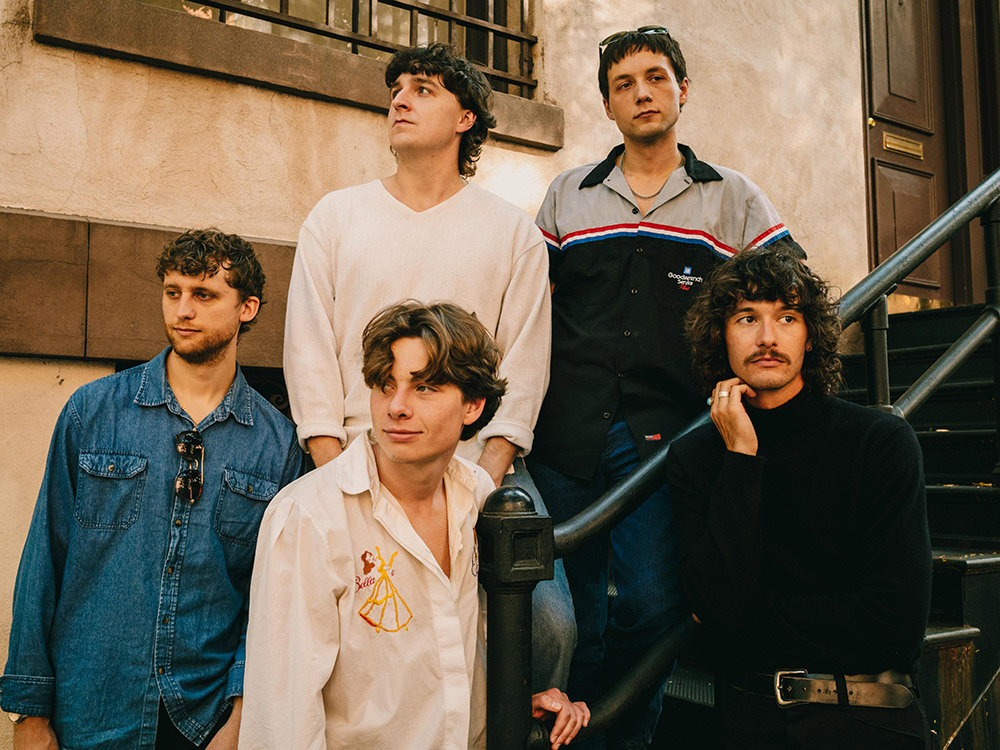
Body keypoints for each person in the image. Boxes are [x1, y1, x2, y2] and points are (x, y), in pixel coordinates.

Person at [527, 25, 803, 748]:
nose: (641, 92)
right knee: (571, 618)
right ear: (609, 107)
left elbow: (792, 291)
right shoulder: (567, 197)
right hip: (568, 434)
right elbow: (529, 309)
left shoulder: (731, 199)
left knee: (651, 606)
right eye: (624, 85)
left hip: (668, 440)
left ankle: (623, 734)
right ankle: (573, 733)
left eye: (655, 77)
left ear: (683, 90)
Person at [282, 42, 575, 692]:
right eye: (397, 89)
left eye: (423, 89)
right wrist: (346, 482)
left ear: (466, 117)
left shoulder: (511, 233)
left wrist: (477, 487)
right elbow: (307, 355)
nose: (400, 99)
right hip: (356, 459)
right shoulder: (335, 217)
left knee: (549, 627)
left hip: (477, 463)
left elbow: (524, 372)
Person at [0, 229, 305, 749]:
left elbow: (272, 603)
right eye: (173, 291)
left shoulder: (278, 447)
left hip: (202, 722)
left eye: (204, 295)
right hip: (90, 712)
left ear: (247, 307)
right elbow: (43, 562)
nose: (183, 309)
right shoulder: (92, 412)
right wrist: (27, 712)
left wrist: (240, 718)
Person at [241, 301, 589, 749]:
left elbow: (457, 658)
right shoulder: (309, 516)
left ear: (473, 405)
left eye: (424, 387)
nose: (397, 407)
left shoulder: (478, 496)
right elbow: (281, 718)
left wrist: (522, 703)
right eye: (386, 385)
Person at [665, 243, 932, 749]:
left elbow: (895, 626)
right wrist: (741, 459)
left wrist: (747, 616)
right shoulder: (697, 457)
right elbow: (716, 607)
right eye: (747, 318)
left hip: (868, 720)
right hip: (750, 721)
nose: (767, 338)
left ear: (810, 338)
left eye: (787, 317)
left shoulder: (878, 441)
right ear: (720, 337)